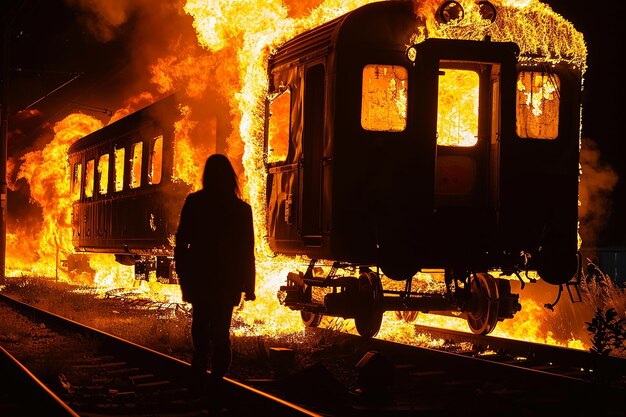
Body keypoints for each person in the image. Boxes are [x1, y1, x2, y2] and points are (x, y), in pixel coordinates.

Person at [174, 154, 256, 394]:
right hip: (228, 279)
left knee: (200, 324)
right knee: (221, 330)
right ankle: (218, 377)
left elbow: (182, 243)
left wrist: (183, 276)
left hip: (201, 276)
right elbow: (246, 251)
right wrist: (248, 286)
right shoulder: (242, 210)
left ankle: (199, 369)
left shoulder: (195, 202)